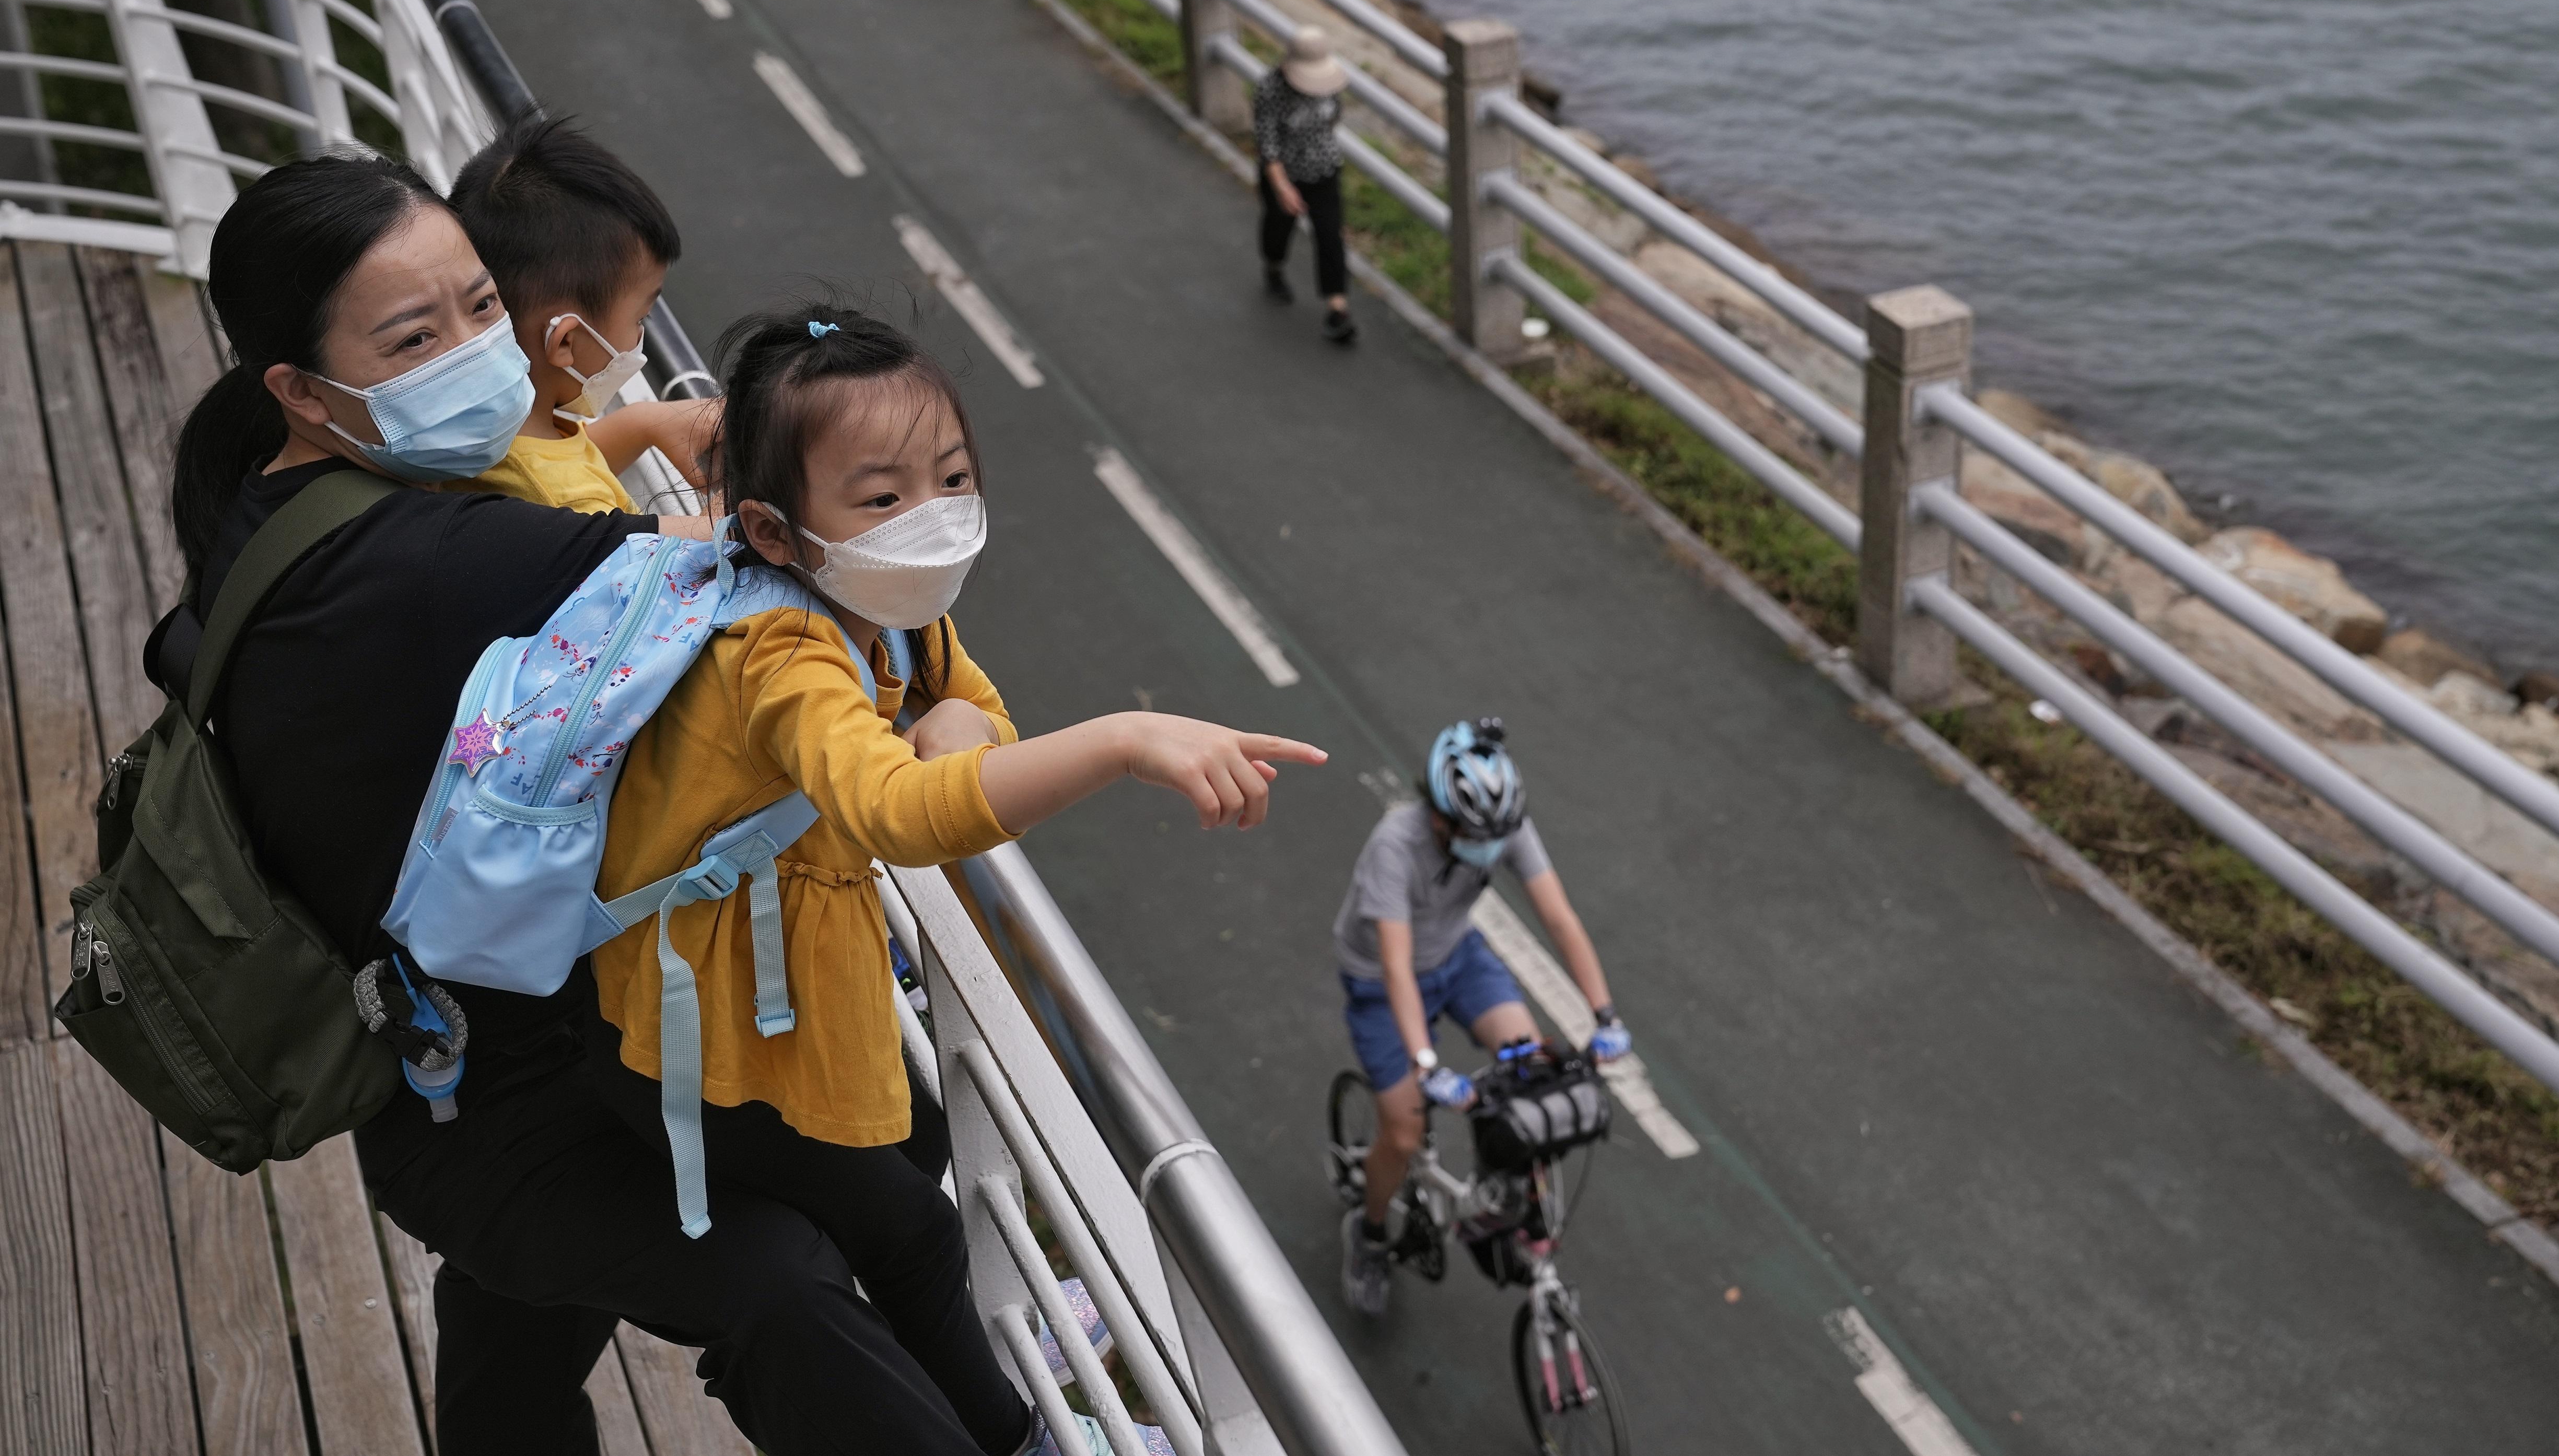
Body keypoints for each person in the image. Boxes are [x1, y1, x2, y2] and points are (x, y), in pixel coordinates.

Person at [139, 150, 1270, 1456]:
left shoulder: (282, 497)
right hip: (478, 1083)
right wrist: (1007, 713)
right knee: (782, 1271)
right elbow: (787, 578)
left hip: (456, 1026)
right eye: (415, 333)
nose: (479, 349)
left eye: (474, 304)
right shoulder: (436, 561)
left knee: (722, 1242)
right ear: (296, 384)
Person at [579, 306, 1324, 1455]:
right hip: (708, 1038)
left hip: (775, 992)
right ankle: (1020, 1437)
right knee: (919, 1236)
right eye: (880, 498)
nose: (928, 517)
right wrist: (1124, 738)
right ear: (773, 532)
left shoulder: (893, 603)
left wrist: (959, 715)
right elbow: (898, 810)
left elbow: (979, 725)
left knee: (916, 1148)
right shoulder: (778, 648)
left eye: (953, 476)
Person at [1330, 719, 1631, 1316]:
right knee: (1405, 1130)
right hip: (1381, 980)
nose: (1489, 846)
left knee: (1531, 1067)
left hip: (1459, 956)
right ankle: (1367, 1232)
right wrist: (1427, 1063)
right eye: (1474, 833)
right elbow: (1396, 969)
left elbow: (1560, 918)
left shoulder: (1503, 825)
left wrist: (1605, 1015)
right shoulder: (1397, 844)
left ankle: (1495, 1202)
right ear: (1439, 815)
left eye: (1498, 834)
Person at [443, 112, 717, 510]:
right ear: (566, 341)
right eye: (640, 319)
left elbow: (555, 466)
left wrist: (642, 423)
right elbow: (565, 494)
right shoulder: (575, 509)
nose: (638, 339)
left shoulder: (483, 435)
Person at [1254, 25, 1354, 344]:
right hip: (1284, 174)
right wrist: (1283, 187)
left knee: (1330, 235)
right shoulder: (1270, 90)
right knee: (1279, 226)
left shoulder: (1329, 86)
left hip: (1324, 169)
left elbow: (1333, 116)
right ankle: (1274, 266)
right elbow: (1267, 145)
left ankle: (1338, 309)